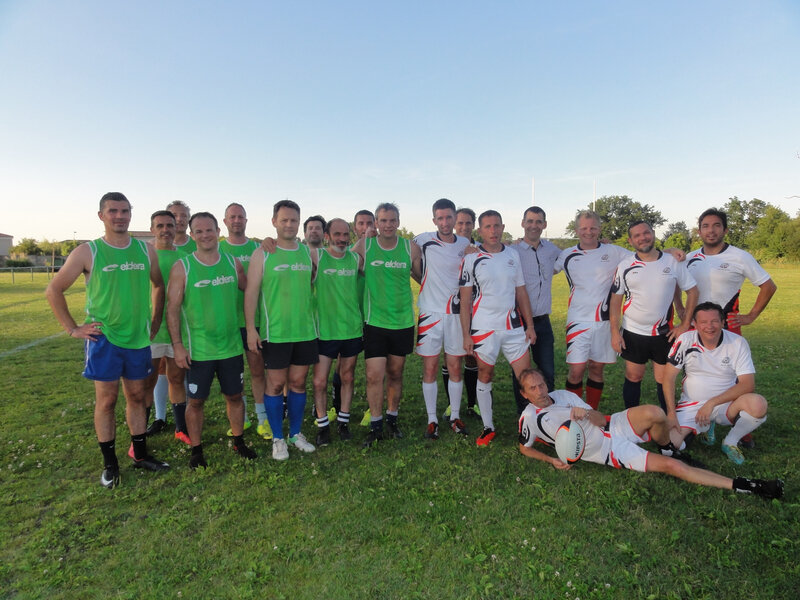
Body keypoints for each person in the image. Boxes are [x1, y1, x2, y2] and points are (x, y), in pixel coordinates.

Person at [45, 192, 169, 489]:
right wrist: (73, 328)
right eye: (113, 210)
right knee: (107, 400)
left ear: (131, 214)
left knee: (138, 397)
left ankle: (140, 455)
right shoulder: (88, 252)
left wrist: (154, 320)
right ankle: (111, 464)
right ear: (101, 215)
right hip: (105, 340)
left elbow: (158, 285)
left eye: (125, 210)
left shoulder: (145, 250)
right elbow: (54, 290)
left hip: (138, 339)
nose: (119, 216)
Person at [517, 369, 783, 499]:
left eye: (541, 384)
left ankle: (667, 444)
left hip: (611, 425)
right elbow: (524, 447)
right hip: (607, 450)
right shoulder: (529, 417)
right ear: (524, 394)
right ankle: (747, 485)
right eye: (533, 388)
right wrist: (551, 459)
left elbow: (599, 419)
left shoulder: (563, 395)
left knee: (655, 413)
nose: (540, 391)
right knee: (671, 466)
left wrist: (584, 413)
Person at [681, 208, 777, 450]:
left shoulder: (739, 256)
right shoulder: (690, 257)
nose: (710, 230)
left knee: (735, 377)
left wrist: (752, 315)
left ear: (725, 229)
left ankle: (740, 433)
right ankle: (703, 419)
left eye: (716, 225)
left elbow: (768, 286)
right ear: (699, 230)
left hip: (728, 327)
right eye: (705, 226)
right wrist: (680, 311)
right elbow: (674, 282)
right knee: (696, 373)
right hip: (696, 328)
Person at [166, 212, 257, 468]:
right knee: (196, 401)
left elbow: (251, 289)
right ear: (192, 235)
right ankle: (197, 449)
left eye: (209, 230)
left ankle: (239, 441)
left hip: (230, 348)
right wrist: (178, 346)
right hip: (199, 350)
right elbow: (172, 309)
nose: (205, 235)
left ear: (218, 232)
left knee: (235, 396)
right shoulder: (182, 267)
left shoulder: (233, 263)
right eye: (199, 231)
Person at [245, 200, 318, 460]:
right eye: (284, 220)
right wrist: (252, 330)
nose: (289, 224)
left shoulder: (308, 252)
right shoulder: (263, 253)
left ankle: (295, 433)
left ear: (299, 223)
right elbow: (251, 292)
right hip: (274, 332)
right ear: (274, 221)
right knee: (275, 385)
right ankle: (278, 438)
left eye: (294, 220)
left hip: (305, 331)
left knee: (298, 383)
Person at [459, 210, 536, 446]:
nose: (493, 231)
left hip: (513, 328)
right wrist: (466, 334)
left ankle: (531, 426)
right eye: (487, 227)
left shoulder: (512, 254)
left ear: (503, 227)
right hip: (484, 329)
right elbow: (464, 300)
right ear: (480, 231)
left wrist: (530, 326)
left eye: (496, 226)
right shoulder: (471, 258)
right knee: (485, 374)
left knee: (526, 377)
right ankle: (488, 426)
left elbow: (521, 291)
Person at [661, 302, 769, 465]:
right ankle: (702, 427)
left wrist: (711, 403)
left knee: (758, 405)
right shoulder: (685, 340)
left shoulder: (737, 343)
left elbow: (748, 385)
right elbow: (668, 377)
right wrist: (671, 413)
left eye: (714, 321)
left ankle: (730, 441)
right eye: (703, 322)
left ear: (723, 322)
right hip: (692, 404)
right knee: (669, 447)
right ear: (694, 324)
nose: (709, 326)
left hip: (726, 404)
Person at [352, 202, 421, 446]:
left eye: (392, 220)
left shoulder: (410, 248)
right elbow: (346, 264)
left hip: (402, 321)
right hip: (375, 322)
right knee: (373, 376)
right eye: (383, 221)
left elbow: (422, 277)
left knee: (395, 373)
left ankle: (392, 418)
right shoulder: (365, 245)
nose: (388, 225)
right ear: (376, 223)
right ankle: (376, 424)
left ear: (398, 222)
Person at [609, 221, 698, 410]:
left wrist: (685, 324)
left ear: (653, 233)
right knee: (633, 376)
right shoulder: (625, 265)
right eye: (637, 235)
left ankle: (668, 421)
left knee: (663, 379)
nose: (643, 238)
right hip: (633, 332)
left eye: (646, 233)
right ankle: (631, 420)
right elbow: (616, 301)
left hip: (663, 333)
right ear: (630, 240)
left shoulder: (673, 261)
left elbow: (693, 291)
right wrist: (615, 333)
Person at [553, 211, 632, 410]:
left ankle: (592, 412)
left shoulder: (614, 251)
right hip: (577, 321)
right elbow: (543, 268)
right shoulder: (567, 254)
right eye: (584, 228)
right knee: (576, 371)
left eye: (593, 228)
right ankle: (574, 412)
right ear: (577, 230)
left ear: (599, 229)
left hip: (605, 321)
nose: (588, 232)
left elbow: (644, 256)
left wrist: (671, 251)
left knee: (597, 368)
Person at [413, 198, 470, 439]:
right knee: (430, 366)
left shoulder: (466, 243)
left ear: (455, 217)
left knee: (455, 366)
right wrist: (423, 280)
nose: (445, 222)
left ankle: (455, 416)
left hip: (456, 314)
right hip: (430, 314)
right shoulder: (422, 240)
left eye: (449, 217)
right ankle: (432, 419)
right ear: (434, 219)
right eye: (440, 218)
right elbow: (410, 263)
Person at [219, 202, 271, 441]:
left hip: (255, 320)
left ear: (246, 220)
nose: (237, 220)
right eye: (232, 217)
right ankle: (243, 417)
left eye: (241, 217)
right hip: (227, 322)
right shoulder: (216, 250)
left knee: (258, 371)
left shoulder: (259, 248)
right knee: (232, 374)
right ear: (225, 221)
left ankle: (263, 419)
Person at [311, 218, 363, 445]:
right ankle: (322, 426)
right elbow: (289, 248)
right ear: (327, 235)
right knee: (320, 381)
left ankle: (343, 422)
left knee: (348, 376)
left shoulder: (355, 259)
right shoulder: (316, 256)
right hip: (325, 331)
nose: (342, 238)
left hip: (351, 328)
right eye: (337, 234)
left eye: (345, 234)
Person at [142, 210, 190, 444]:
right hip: (150, 331)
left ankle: (181, 428)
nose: (165, 230)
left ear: (177, 228)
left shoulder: (184, 258)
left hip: (178, 331)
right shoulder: (145, 255)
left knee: (176, 378)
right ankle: (140, 431)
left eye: (169, 225)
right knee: (147, 381)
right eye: (159, 226)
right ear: (152, 229)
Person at [510, 206, 561, 411]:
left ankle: (548, 416)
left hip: (543, 321)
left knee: (547, 372)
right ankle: (524, 416)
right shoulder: (511, 251)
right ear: (523, 223)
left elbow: (579, 254)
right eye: (530, 221)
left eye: (538, 221)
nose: (534, 225)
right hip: (518, 322)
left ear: (544, 225)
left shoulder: (552, 250)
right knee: (522, 374)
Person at [450, 207, 480, 418]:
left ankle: (471, 404)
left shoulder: (480, 248)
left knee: (472, 357)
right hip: (450, 309)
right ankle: (452, 406)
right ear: (453, 224)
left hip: (475, 310)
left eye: (468, 223)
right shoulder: (445, 247)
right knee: (450, 358)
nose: (463, 226)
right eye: (459, 223)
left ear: (473, 225)